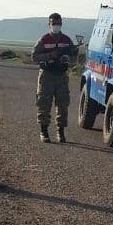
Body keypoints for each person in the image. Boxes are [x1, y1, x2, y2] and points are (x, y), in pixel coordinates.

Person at [31, 13, 75, 143]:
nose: (56, 25)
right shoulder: (44, 39)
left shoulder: (67, 40)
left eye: (58, 23)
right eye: (53, 23)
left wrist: (65, 58)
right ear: (49, 24)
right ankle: (44, 131)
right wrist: (50, 55)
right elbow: (34, 57)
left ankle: (60, 132)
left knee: (63, 104)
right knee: (44, 103)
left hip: (61, 75)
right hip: (47, 75)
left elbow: (74, 58)